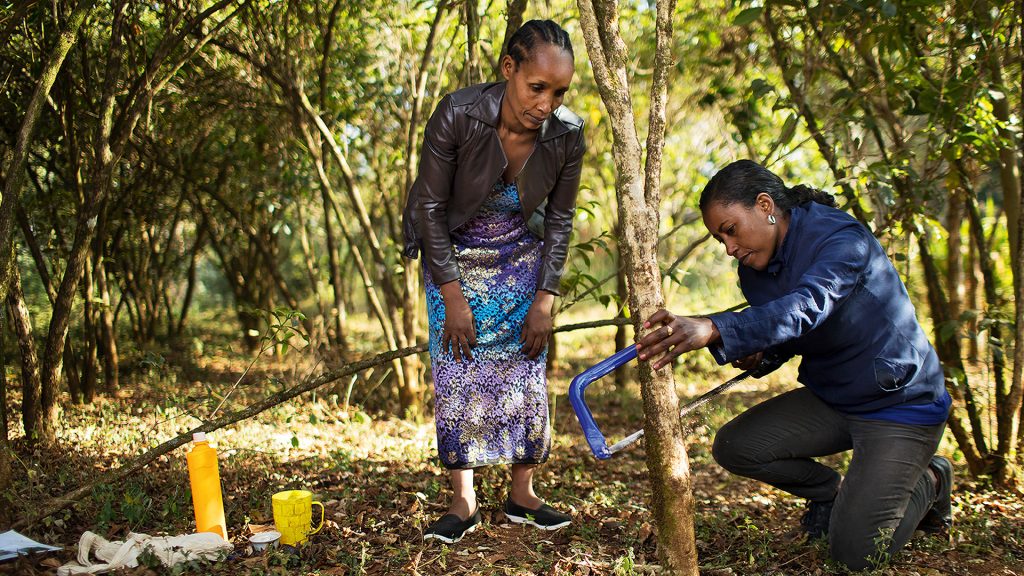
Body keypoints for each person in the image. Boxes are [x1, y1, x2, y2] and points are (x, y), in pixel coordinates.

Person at [634, 160, 953, 570]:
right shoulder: (754, 269)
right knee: (737, 446)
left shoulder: (841, 237)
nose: (729, 248)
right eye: (719, 240)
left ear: (765, 205)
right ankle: (827, 493)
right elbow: (789, 332)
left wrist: (714, 327)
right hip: (835, 397)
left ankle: (932, 478)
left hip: (899, 404)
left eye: (730, 230)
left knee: (855, 557)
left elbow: (807, 307)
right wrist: (761, 353)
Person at [401, 19, 585, 544]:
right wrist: (452, 296)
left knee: (527, 366)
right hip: (453, 251)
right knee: (457, 364)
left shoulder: (568, 133)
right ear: (509, 69)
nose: (546, 103)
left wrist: (545, 299)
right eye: (536, 87)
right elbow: (431, 208)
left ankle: (522, 493)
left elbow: (559, 219)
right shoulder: (458, 113)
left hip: (520, 256)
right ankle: (464, 500)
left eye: (559, 92)